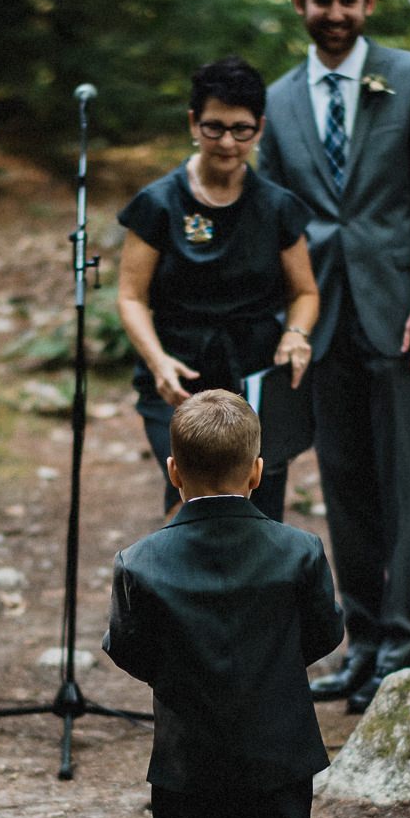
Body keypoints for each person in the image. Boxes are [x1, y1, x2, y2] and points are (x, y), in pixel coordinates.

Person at [102, 391, 343, 818]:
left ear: (174, 472)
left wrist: (184, 679)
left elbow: (128, 649)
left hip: (189, 757)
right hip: (281, 747)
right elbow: (323, 633)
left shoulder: (140, 564)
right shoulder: (299, 551)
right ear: (258, 471)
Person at [259, 0, 410, 715]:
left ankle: (408, 645)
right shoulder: (278, 101)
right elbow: (278, 214)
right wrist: (286, 318)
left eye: (348, 0)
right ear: (298, 3)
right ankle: (366, 641)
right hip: (320, 321)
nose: (335, 14)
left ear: (369, 3)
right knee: (344, 486)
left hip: (403, 312)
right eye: (322, 1)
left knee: (407, 485)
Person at [116, 56, 318, 522]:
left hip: (254, 375)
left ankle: (259, 596)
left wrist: (296, 334)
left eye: (241, 129)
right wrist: (157, 361)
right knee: (191, 503)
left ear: (260, 128)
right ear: (193, 122)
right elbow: (131, 295)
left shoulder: (278, 206)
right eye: (214, 127)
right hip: (178, 378)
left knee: (260, 510)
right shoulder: (157, 204)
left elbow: (304, 293)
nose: (228, 142)